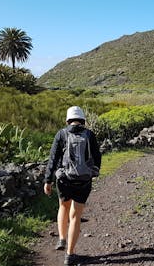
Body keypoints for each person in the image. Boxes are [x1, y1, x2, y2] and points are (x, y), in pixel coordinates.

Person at [44, 106, 101, 266]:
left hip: (64, 180)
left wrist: (47, 180)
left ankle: (62, 239)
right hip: (83, 181)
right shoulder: (90, 134)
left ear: (67, 120)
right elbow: (97, 156)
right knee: (76, 215)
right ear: (83, 120)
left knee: (63, 206)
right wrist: (93, 172)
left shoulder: (61, 134)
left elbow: (53, 159)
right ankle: (70, 255)